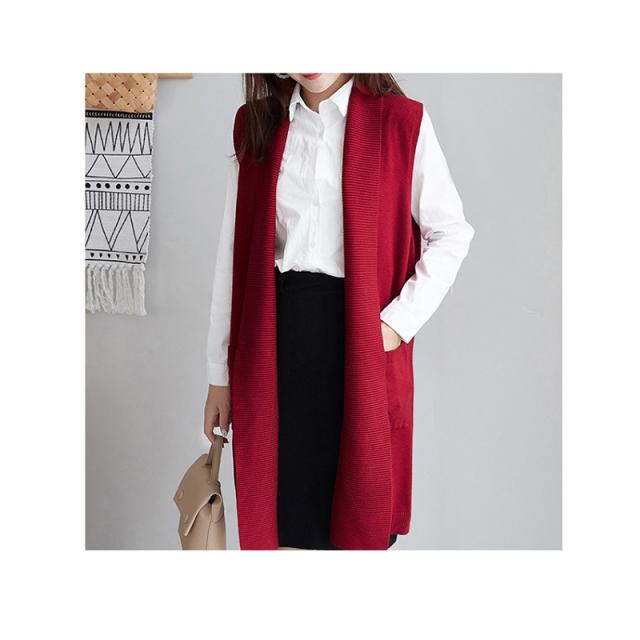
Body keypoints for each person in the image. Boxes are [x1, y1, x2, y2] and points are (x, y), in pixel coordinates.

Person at [204, 73, 474, 550]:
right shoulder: (257, 124)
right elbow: (234, 254)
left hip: (360, 350)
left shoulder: (401, 123)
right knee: (282, 526)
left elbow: (451, 233)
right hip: (275, 349)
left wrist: (395, 325)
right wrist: (217, 374)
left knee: (357, 522)